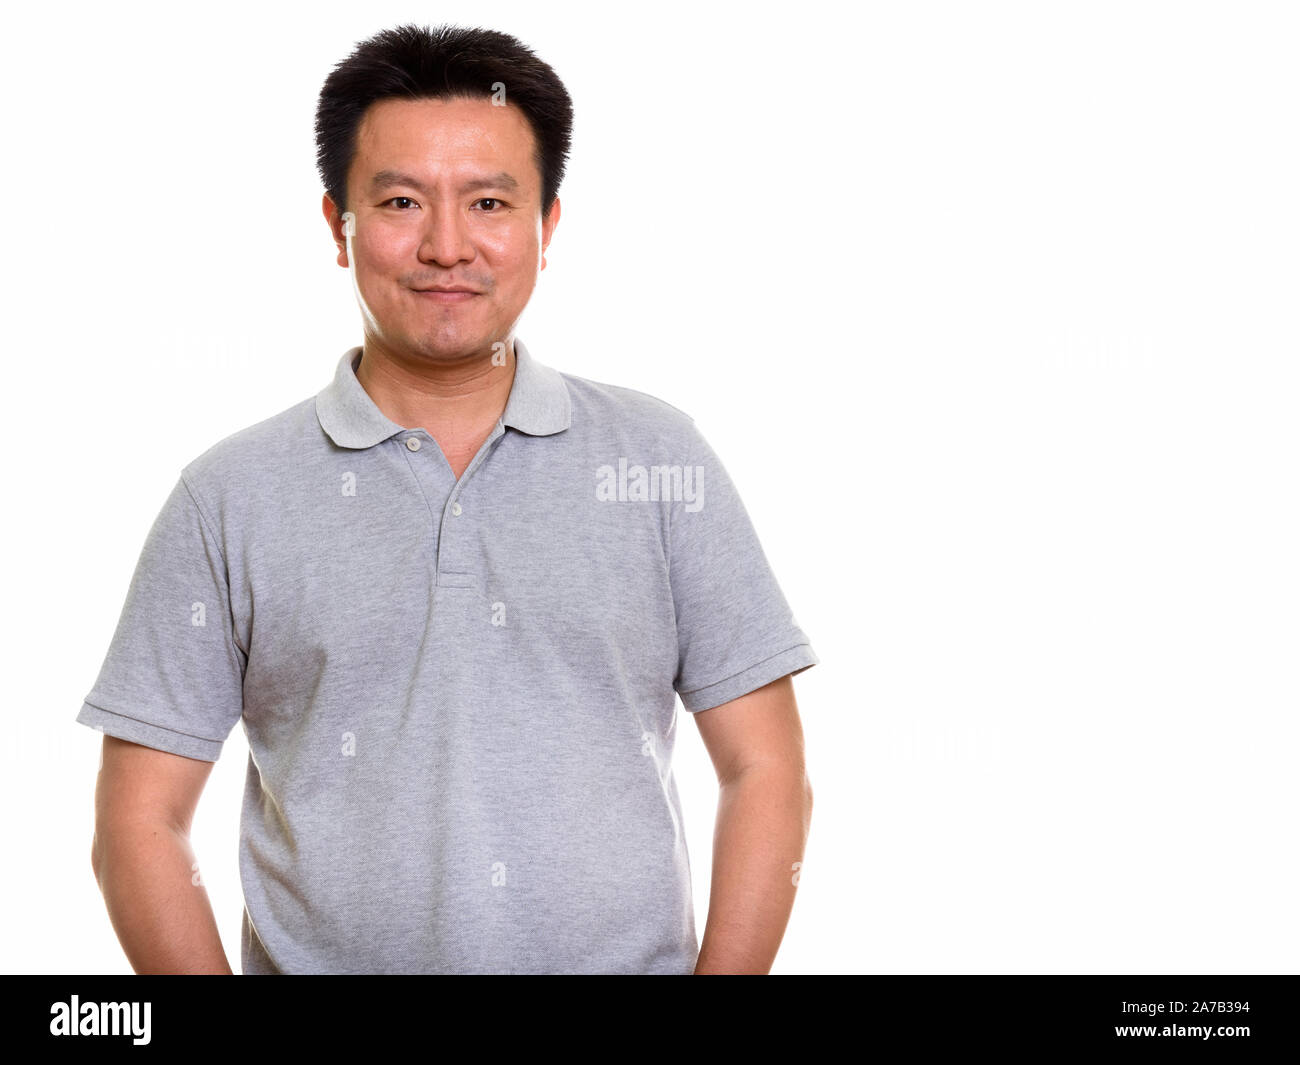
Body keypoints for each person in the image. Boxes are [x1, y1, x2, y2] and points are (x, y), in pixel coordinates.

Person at [79, 22, 818, 975]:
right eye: (398, 200)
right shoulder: (228, 497)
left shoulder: (658, 460)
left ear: (547, 226)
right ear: (335, 225)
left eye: (488, 201)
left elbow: (769, 769)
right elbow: (137, 819)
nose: (445, 245)